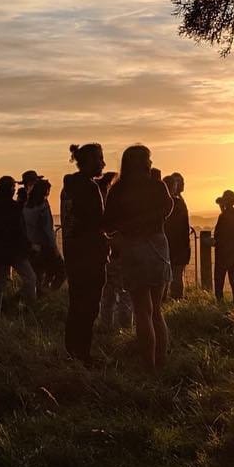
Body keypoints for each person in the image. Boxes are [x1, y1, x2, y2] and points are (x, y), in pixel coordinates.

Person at [103, 145, 173, 371]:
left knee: (142, 311)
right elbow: (167, 208)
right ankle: (161, 363)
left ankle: (148, 366)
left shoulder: (118, 190)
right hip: (157, 247)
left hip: (132, 248)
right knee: (157, 312)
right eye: (149, 159)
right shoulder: (157, 186)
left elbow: (108, 222)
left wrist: (126, 230)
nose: (151, 163)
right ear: (144, 162)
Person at [60, 143, 108, 362]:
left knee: (76, 304)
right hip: (91, 255)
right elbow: (99, 222)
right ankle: (83, 355)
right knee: (89, 307)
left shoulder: (69, 187)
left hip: (73, 255)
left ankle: (72, 351)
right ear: (88, 161)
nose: (103, 163)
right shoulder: (90, 188)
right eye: (99, 159)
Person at [0, 175, 38, 312]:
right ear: (9, 189)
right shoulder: (14, 208)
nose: (14, 190)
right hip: (15, 251)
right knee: (30, 278)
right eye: (13, 187)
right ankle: (29, 308)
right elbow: (19, 229)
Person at [98, 171, 132, 330]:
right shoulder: (129, 206)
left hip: (111, 254)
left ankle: (105, 324)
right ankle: (124, 326)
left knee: (109, 292)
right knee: (125, 292)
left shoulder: (108, 203)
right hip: (124, 254)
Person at [24, 178, 65, 291]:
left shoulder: (26, 206)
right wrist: (54, 247)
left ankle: (40, 294)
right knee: (61, 271)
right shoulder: (43, 207)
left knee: (39, 274)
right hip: (45, 246)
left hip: (32, 245)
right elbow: (47, 229)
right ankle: (50, 292)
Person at [213, 189, 234, 301]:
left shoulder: (223, 216)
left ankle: (220, 302)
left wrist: (222, 208)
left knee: (219, 279)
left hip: (222, 252)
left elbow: (218, 234)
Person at [163, 173, 191, 301]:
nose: (184, 184)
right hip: (176, 245)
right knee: (175, 274)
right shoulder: (176, 202)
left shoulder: (176, 200)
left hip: (175, 244)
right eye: (181, 182)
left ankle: (168, 299)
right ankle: (175, 299)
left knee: (172, 273)